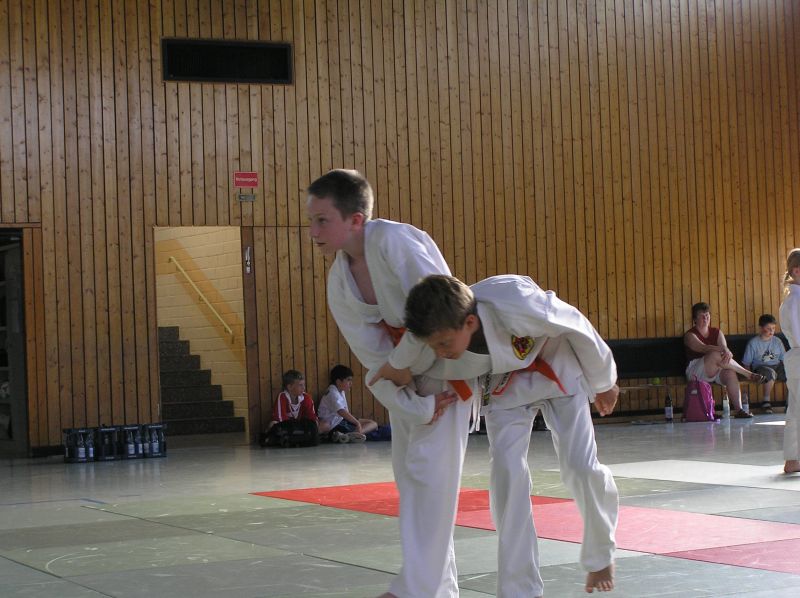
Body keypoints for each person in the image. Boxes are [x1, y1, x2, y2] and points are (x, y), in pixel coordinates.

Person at [307, 169, 473, 598]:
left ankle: (414, 588)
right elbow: (376, 363)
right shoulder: (339, 284)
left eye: (322, 220)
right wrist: (415, 402)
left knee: (430, 479)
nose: (313, 232)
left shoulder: (396, 242)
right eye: (311, 221)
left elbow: (444, 315)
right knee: (411, 480)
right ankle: (439, 590)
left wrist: (407, 368)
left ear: (355, 219)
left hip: (447, 365)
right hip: (405, 386)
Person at [405, 274, 619, 597]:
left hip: (557, 364)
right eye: (434, 346)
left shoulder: (517, 303)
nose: (440, 352)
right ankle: (520, 589)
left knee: (580, 465)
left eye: (444, 344)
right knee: (507, 475)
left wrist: (604, 381)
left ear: (470, 323)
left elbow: (576, 324)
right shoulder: (442, 333)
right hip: (504, 386)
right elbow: (409, 368)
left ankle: (600, 554)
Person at [683, 302, 764, 418]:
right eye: (702, 316)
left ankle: (739, 410)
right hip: (695, 372)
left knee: (730, 373)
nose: (705, 318)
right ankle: (749, 374)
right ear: (695, 319)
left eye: (707, 315)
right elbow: (703, 348)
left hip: (717, 367)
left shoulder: (717, 332)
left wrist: (726, 351)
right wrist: (723, 350)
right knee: (714, 354)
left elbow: (724, 347)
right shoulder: (690, 335)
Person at [779, 249, 800, 474]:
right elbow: (798, 334)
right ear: (797, 271)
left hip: (796, 358)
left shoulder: (794, 300)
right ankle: (794, 458)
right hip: (799, 355)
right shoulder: (794, 301)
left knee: (795, 409)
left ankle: (793, 459)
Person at [317, 364, 376, 443]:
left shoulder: (341, 391)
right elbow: (341, 411)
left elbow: (346, 412)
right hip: (335, 425)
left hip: (341, 421)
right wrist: (357, 423)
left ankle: (352, 434)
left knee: (373, 423)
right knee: (372, 429)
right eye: (348, 380)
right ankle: (353, 435)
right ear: (338, 381)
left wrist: (357, 422)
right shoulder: (332, 393)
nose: (351, 383)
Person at [742, 314, 787, 414]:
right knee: (770, 373)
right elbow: (746, 363)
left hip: (777, 366)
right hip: (761, 368)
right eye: (768, 328)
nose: (772, 331)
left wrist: (789, 370)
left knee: (793, 373)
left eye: (773, 328)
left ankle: (791, 402)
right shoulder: (753, 343)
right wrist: (749, 375)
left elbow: (784, 359)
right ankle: (766, 401)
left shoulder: (777, 341)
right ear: (761, 328)